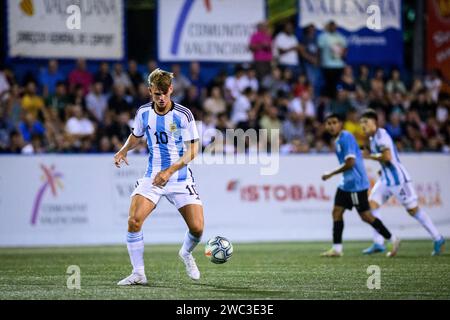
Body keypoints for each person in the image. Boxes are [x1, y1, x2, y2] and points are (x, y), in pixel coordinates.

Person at [114, 68, 204, 285]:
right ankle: (138, 273)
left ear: (171, 90)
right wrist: (124, 150)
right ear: (150, 91)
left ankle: (185, 253)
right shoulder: (144, 113)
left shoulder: (183, 114)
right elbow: (136, 136)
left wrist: (170, 171)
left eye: (165, 93)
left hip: (179, 177)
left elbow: (193, 150)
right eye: (157, 94)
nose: (161, 98)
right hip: (153, 177)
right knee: (134, 221)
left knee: (198, 228)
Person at [359, 109, 445, 256]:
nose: (363, 125)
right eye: (361, 123)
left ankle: (438, 238)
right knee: (371, 205)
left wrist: (369, 156)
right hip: (386, 179)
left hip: (399, 180)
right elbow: (385, 161)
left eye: (365, 122)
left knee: (413, 210)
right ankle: (379, 242)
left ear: (375, 122)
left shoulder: (381, 135)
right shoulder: (373, 139)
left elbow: (387, 157)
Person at [320, 113, 400, 257]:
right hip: (346, 184)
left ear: (340, 124)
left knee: (366, 216)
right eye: (328, 123)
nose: (331, 126)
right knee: (336, 212)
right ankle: (337, 249)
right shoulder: (338, 140)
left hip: (356, 184)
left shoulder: (346, 137)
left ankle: (392, 239)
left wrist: (331, 173)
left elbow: (350, 163)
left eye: (334, 122)